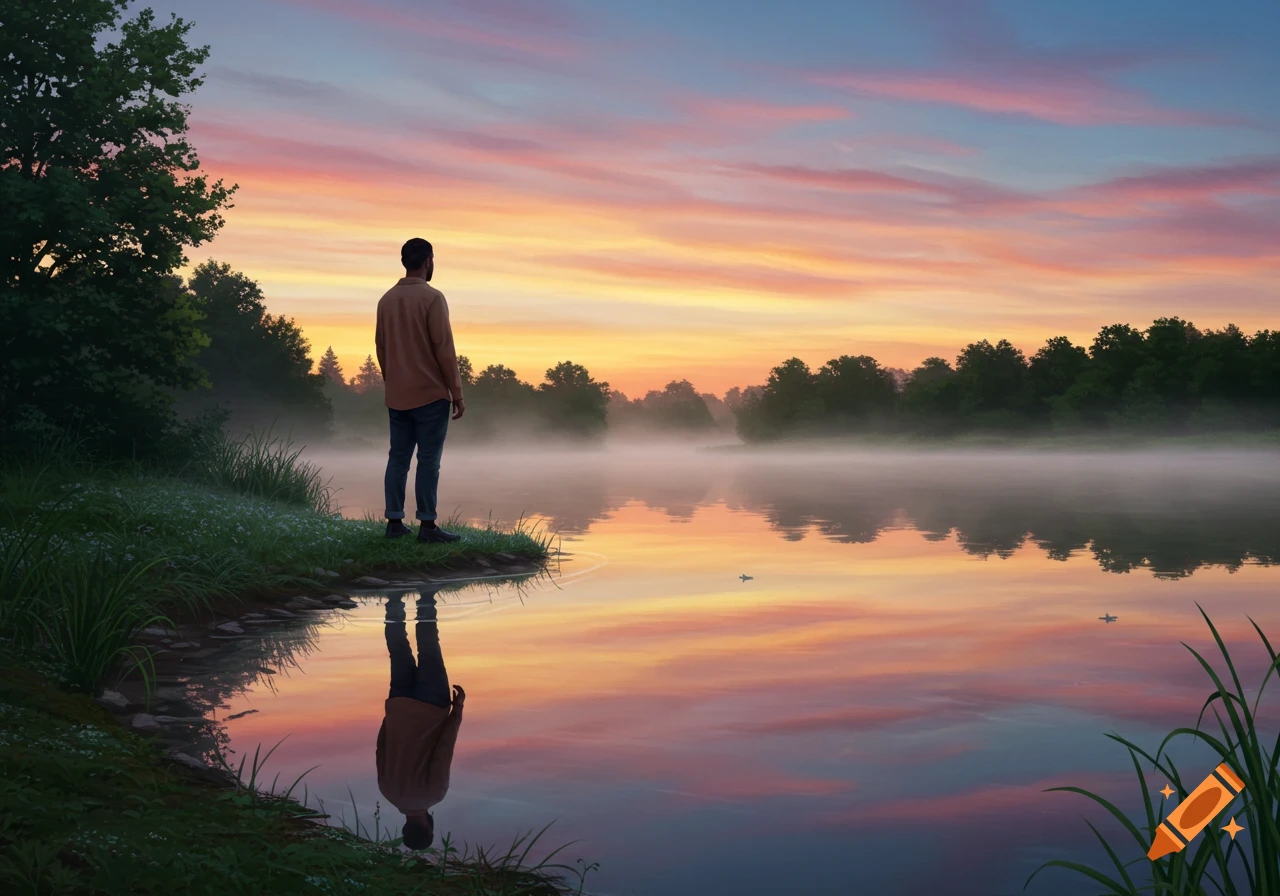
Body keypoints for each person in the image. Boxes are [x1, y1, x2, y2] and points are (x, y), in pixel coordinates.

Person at [375, 237, 465, 544]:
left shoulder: (385, 300)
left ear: (404, 261)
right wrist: (457, 392)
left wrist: (393, 381)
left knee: (397, 458)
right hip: (430, 394)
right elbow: (444, 349)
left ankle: (394, 522)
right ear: (428, 261)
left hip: (398, 395)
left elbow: (381, 348)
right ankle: (427, 526)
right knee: (428, 460)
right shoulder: (433, 298)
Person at [377, 591, 465, 851]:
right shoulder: (387, 792)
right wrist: (390, 715)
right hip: (399, 707)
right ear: (405, 827)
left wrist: (457, 710)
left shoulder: (434, 795)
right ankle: (393, 602)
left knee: (429, 650)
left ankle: (426, 596)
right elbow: (381, 748)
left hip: (431, 707)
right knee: (398, 653)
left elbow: (443, 750)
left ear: (427, 827)